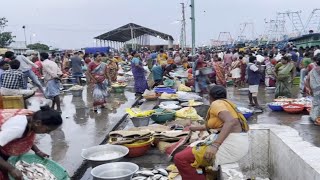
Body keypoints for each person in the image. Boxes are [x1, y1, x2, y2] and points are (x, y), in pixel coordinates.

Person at [174, 85, 249, 180]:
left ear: (211, 97)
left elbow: (230, 121)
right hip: (238, 143)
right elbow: (213, 125)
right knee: (190, 149)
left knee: (180, 158)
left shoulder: (216, 103)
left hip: (231, 145)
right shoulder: (226, 104)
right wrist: (193, 128)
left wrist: (215, 145)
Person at [0, 106, 63, 180]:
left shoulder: (33, 118)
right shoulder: (17, 129)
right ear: (38, 123)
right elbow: (18, 133)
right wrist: (11, 169)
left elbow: (26, 138)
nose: (48, 133)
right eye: (47, 130)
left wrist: (37, 150)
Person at [305, 54, 320, 125]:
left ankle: (314, 117)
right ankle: (317, 118)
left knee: (316, 104)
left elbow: (307, 80)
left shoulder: (313, 70)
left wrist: (309, 89)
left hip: (315, 90)